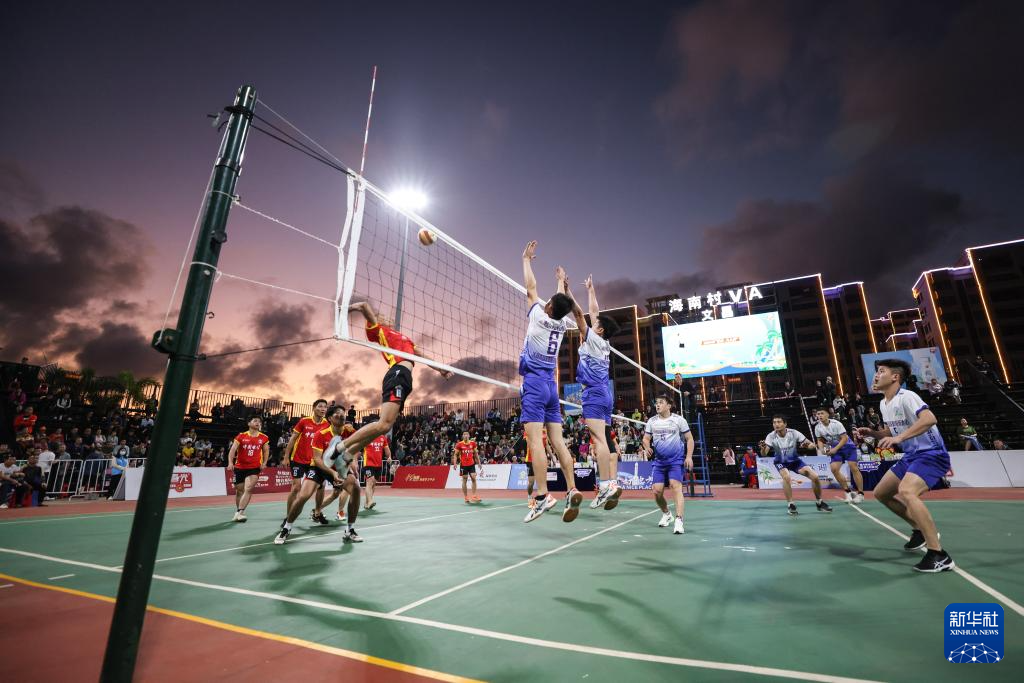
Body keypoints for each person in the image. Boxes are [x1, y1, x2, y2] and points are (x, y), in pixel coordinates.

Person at [855, 359, 954, 573]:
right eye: (876, 371)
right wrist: (873, 433)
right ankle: (918, 530)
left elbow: (929, 419)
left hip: (931, 454)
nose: (876, 375)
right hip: (911, 456)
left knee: (907, 491)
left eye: (881, 371)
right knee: (881, 493)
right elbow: (892, 431)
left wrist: (899, 438)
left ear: (895, 377)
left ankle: (938, 554)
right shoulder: (884, 403)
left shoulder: (907, 396)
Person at [329, 301, 453, 467]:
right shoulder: (379, 330)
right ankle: (340, 447)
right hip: (397, 373)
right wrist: (347, 309)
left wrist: (440, 369)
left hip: (406, 378)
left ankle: (349, 453)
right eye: (382, 316)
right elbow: (364, 306)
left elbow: (422, 355)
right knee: (383, 424)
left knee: (385, 427)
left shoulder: (405, 339)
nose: (387, 317)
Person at [518, 241, 582, 523]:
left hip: (534, 384)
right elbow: (560, 305)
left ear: (548, 307)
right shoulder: (562, 323)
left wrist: (526, 259)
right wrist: (560, 282)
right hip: (551, 388)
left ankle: (543, 496)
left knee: (536, 442)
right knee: (558, 441)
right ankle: (572, 488)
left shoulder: (537, 316)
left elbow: (530, 288)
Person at [565, 273, 623, 512]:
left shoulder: (594, 339)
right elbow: (594, 312)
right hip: (605, 394)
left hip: (594, 394)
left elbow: (580, 315)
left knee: (598, 440)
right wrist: (590, 290)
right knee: (605, 439)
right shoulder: (604, 343)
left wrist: (567, 292)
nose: (593, 323)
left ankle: (607, 485)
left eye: (596, 324)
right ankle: (610, 483)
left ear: (599, 330)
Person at [276, 406, 362, 544]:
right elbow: (317, 459)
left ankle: (350, 529)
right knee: (303, 496)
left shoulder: (350, 431)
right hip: (319, 467)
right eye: (337, 414)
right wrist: (332, 473)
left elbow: (357, 446)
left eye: (343, 414)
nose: (342, 416)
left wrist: (354, 462)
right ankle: (287, 527)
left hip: (339, 468)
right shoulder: (321, 434)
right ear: (330, 418)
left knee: (356, 489)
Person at [641, 395, 694, 535]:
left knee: (675, 486)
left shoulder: (679, 420)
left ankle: (679, 520)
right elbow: (646, 438)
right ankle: (667, 514)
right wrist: (647, 447)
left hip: (675, 460)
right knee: (657, 491)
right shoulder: (652, 421)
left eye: (661, 402)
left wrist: (688, 456)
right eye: (656, 403)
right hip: (659, 461)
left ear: (669, 406)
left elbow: (689, 439)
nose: (657, 405)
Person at [760, 415, 832, 515]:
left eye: (779, 422)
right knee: (786, 477)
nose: (776, 424)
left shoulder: (794, 433)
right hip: (780, 462)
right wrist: (763, 448)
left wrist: (808, 446)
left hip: (795, 461)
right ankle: (791, 504)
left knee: (815, 476)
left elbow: (811, 445)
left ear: (785, 424)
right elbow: (764, 454)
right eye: (774, 422)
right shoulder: (771, 436)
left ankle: (819, 502)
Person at [282, 399, 330, 524]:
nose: (323, 409)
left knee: (321, 486)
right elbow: (293, 439)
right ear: (314, 408)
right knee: (296, 488)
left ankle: (317, 513)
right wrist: (286, 456)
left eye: (325, 407)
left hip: (315, 461)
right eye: (320, 406)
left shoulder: (327, 424)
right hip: (298, 459)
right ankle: (288, 516)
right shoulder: (304, 421)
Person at [813, 407, 864, 503]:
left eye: (822, 413)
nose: (820, 415)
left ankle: (860, 494)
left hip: (847, 446)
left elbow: (844, 438)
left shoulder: (837, 424)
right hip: (835, 448)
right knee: (834, 469)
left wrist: (835, 449)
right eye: (818, 414)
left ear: (827, 414)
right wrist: (822, 449)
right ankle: (848, 492)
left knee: (853, 467)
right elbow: (819, 440)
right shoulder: (817, 427)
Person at [226, 416, 269, 522]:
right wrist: (230, 462)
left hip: (254, 467)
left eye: (259, 422)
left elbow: (266, 451)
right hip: (240, 467)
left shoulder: (264, 437)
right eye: (255, 421)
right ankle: (238, 512)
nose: (258, 423)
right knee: (239, 490)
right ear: (249, 423)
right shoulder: (241, 436)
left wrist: (264, 463)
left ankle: (240, 512)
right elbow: (232, 450)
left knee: (248, 489)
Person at [361, 431, 390, 510]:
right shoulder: (367, 436)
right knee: (370, 481)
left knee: (373, 484)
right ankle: (370, 501)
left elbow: (386, 449)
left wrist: (389, 457)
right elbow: (358, 449)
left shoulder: (382, 438)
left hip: (378, 465)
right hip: (368, 464)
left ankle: (367, 503)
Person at [452, 431, 481, 503]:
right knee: (464, 479)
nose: (465, 435)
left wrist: (479, 463)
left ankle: (474, 496)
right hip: (463, 465)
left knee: (473, 478)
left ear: (469, 436)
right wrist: (455, 463)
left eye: (467, 434)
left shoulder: (473, 443)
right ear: (462, 436)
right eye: (464, 434)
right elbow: (455, 454)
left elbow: (476, 454)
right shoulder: (459, 444)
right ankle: (466, 497)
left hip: (471, 464)